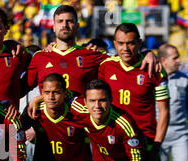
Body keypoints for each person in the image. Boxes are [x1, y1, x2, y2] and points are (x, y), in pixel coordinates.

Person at [25, 5, 159, 97]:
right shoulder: (39, 57)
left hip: (82, 131)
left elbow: (125, 57)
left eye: (69, 21)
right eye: (60, 21)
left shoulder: (93, 55)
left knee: (9, 137)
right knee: (8, 138)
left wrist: (147, 53)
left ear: (77, 26)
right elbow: (19, 90)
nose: (64, 25)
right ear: (53, 27)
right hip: (45, 131)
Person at [98, 23, 170, 161]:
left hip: (146, 142)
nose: (125, 48)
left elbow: (164, 112)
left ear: (139, 43)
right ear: (115, 44)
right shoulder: (105, 66)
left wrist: (157, 145)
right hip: (113, 142)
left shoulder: (155, 69)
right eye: (121, 43)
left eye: (130, 43)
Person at [21, 73, 93, 161]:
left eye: (56, 92)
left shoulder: (78, 110)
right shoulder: (35, 110)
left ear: (65, 93)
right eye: (47, 92)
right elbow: (16, 132)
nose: (51, 97)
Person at [71, 79, 145, 161]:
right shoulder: (80, 111)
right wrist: (43, 99)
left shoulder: (124, 124)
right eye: (92, 101)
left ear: (110, 100)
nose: (97, 106)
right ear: (85, 102)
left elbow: (136, 155)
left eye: (102, 100)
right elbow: (64, 93)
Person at [157, 44, 188, 161]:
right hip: (158, 134)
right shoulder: (153, 78)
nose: (178, 61)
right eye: (175, 58)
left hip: (180, 133)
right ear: (163, 60)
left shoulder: (184, 80)